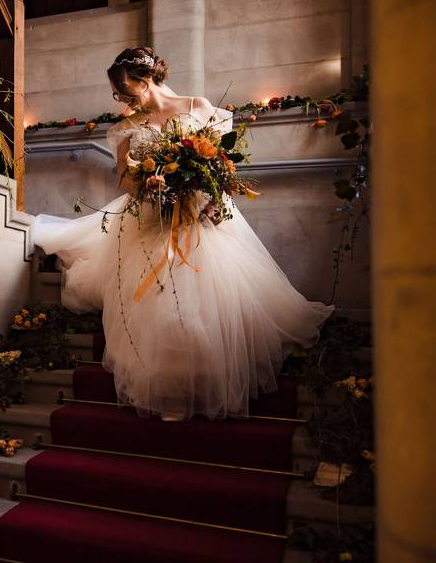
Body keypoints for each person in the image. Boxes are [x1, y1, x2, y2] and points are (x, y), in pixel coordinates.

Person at [32, 46, 335, 421]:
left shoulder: (197, 105)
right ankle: (168, 388)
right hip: (151, 215)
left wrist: (215, 200)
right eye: (118, 94)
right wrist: (149, 184)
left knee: (209, 295)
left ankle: (208, 378)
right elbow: (126, 179)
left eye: (126, 90)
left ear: (146, 79)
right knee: (161, 298)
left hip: (200, 213)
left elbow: (222, 162)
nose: (123, 99)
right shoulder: (126, 126)